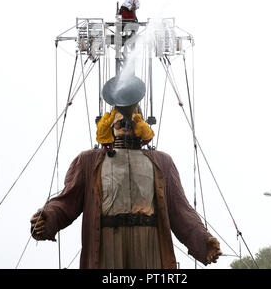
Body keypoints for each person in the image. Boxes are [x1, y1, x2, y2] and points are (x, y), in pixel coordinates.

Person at [30, 108, 222, 269]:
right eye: (119, 118)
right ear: (111, 123)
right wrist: (47, 218)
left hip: (149, 245)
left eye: (129, 117)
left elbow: (180, 210)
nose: (124, 122)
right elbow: (66, 201)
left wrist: (205, 242)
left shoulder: (163, 162)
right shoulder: (88, 161)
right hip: (106, 245)